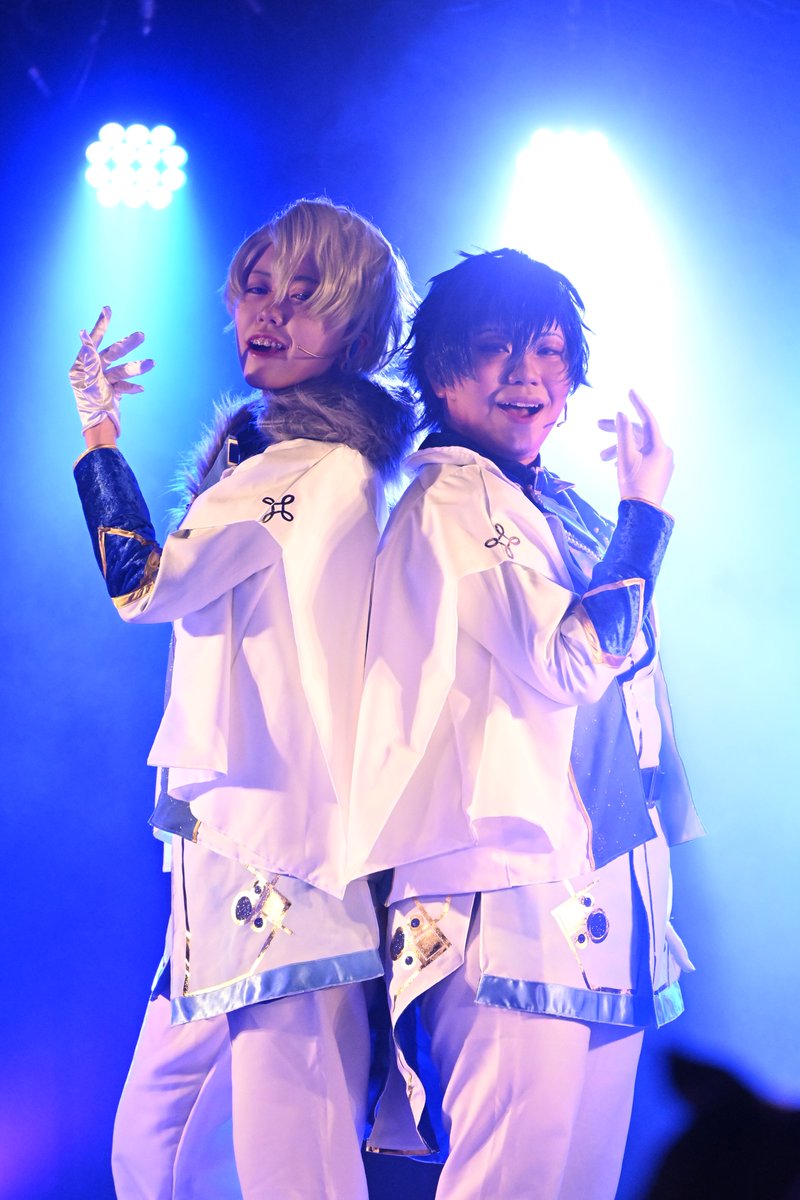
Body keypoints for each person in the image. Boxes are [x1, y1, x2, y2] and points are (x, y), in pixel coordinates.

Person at [69, 197, 417, 1199]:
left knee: (284, 1163)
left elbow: (142, 583)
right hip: (234, 854)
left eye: (305, 295)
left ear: (353, 326)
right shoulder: (286, 460)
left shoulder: (313, 469)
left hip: (286, 856)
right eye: (257, 289)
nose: (269, 312)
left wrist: (98, 430)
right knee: (154, 1146)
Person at [350, 248, 704, 1199]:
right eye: (493, 347)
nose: (527, 374)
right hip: (507, 896)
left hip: (601, 883)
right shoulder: (452, 497)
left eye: (548, 350)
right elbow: (573, 660)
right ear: (439, 371)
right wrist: (644, 514)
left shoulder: (551, 502)